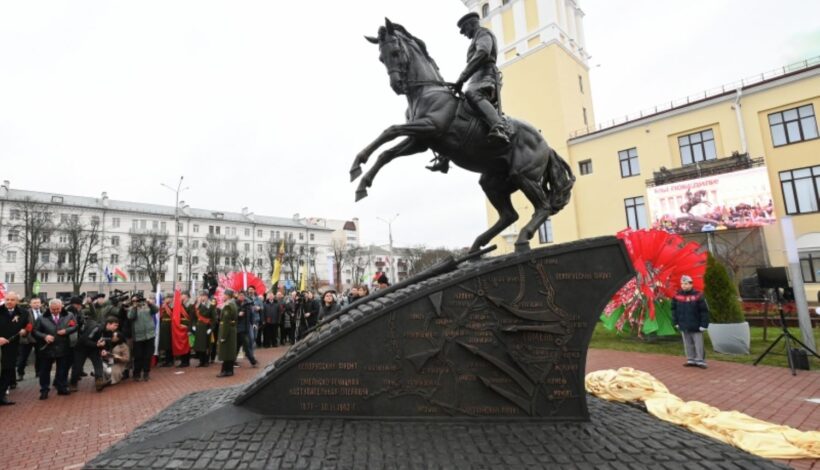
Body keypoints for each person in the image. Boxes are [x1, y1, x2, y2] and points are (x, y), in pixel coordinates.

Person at [428, 11, 508, 174]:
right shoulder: (476, 36)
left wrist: (462, 77)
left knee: (473, 94)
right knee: (457, 108)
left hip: (486, 76)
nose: (464, 34)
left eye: (465, 30)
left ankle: (498, 127)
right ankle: (445, 157)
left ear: (472, 24)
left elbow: (483, 53)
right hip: (476, 78)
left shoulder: (483, 34)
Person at [34, 298, 76, 400]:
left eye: (58, 309)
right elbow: (35, 331)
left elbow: (75, 326)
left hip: (63, 346)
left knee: (62, 369)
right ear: (49, 308)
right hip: (47, 348)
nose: (56, 311)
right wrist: (45, 336)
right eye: (53, 309)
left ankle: (62, 388)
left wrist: (66, 331)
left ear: (61, 307)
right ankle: (44, 390)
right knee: (44, 371)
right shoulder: (41, 318)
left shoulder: (69, 315)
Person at [672, 275, 710, 369]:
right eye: (682, 284)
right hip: (684, 324)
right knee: (687, 343)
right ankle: (690, 359)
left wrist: (703, 324)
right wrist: (676, 322)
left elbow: (704, 311)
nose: (684, 286)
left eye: (686, 284)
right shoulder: (677, 295)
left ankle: (700, 360)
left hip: (696, 324)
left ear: (691, 284)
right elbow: (674, 310)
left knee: (698, 343)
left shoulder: (698, 295)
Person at [70, 295, 106, 392]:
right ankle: (73, 383)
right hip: (80, 345)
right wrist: (97, 345)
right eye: (77, 305)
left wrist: (90, 304)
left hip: (91, 344)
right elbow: (84, 341)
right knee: (77, 366)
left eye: (80, 305)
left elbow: (93, 314)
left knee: (98, 363)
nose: (79, 306)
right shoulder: (69, 313)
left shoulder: (97, 325)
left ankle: (99, 380)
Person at [0, 292, 30, 405]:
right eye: (7, 299)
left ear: (17, 301)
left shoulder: (23, 313)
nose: (9, 302)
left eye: (12, 300)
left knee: (7, 371)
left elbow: (28, 326)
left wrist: (25, 331)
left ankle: (1, 396)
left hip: (12, 347)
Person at [127, 294, 158, 382]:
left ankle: (146, 373)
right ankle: (136, 374)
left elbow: (156, 310)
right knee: (138, 356)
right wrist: (134, 307)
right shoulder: (131, 308)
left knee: (148, 356)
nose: (138, 302)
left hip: (150, 335)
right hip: (138, 336)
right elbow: (130, 316)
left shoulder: (147, 307)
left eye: (139, 300)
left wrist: (150, 303)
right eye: (135, 301)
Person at [16, 297, 43, 384]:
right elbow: (21, 324)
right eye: (34, 303)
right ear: (30, 304)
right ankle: (20, 373)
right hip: (27, 338)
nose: (37, 304)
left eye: (38, 303)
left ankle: (38, 372)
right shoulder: (26, 313)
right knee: (23, 357)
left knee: (39, 356)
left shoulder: (44, 312)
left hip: (39, 338)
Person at [98, 317, 129, 386]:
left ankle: (108, 380)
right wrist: (104, 351)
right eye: (115, 325)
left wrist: (117, 357)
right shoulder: (105, 333)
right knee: (100, 366)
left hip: (117, 363)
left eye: (114, 336)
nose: (112, 337)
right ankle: (102, 378)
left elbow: (126, 359)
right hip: (108, 361)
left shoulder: (123, 346)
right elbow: (104, 346)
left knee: (111, 371)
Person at [217, 289, 238, 377]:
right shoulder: (233, 304)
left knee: (226, 352)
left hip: (227, 330)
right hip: (231, 330)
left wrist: (223, 336)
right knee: (230, 351)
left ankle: (225, 370)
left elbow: (225, 321)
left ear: (228, 296)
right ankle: (230, 370)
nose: (223, 296)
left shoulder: (228, 306)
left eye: (224, 295)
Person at [192, 290, 215, 367]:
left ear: (207, 296)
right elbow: (194, 317)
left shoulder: (211, 305)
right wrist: (194, 325)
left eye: (203, 296)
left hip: (206, 327)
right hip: (199, 327)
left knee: (206, 345)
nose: (202, 297)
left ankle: (206, 361)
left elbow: (214, 318)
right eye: (201, 296)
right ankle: (201, 361)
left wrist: (211, 328)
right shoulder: (198, 305)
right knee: (199, 345)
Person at [235, 291, 258, 367]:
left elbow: (251, 315)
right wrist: (238, 314)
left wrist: (253, 323)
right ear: (238, 296)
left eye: (243, 295)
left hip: (246, 328)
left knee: (238, 346)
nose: (241, 297)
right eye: (240, 295)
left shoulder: (247, 305)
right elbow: (233, 316)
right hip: (239, 329)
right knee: (246, 345)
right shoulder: (235, 304)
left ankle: (232, 360)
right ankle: (253, 361)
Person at [158, 296, 173, 367]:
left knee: (168, 344)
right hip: (163, 326)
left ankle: (170, 360)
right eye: (166, 298)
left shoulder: (171, 306)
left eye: (168, 298)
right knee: (164, 343)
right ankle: (166, 360)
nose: (166, 300)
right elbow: (160, 315)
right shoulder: (163, 306)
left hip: (169, 325)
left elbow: (171, 314)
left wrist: (166, 306)